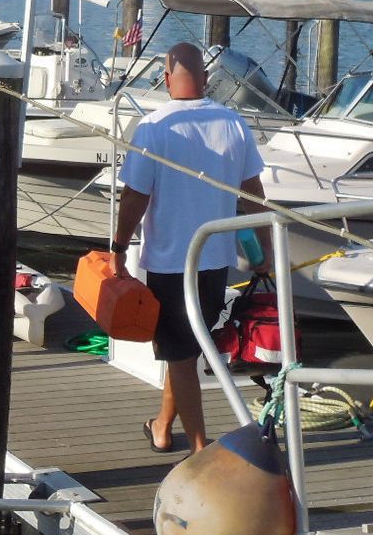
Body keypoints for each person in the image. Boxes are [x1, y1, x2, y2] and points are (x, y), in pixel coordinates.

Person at [111, 42, 271, 455]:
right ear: (206, 78)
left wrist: (118, 247)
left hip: (170, 263)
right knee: (184, 348)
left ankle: (200, 450)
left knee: (181, 354)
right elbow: (255, 196)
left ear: (166, 79)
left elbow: (135, 197)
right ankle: (163, 426)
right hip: (215, 262)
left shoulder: (154, 126)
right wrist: (264, 254)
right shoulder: (233, 123)